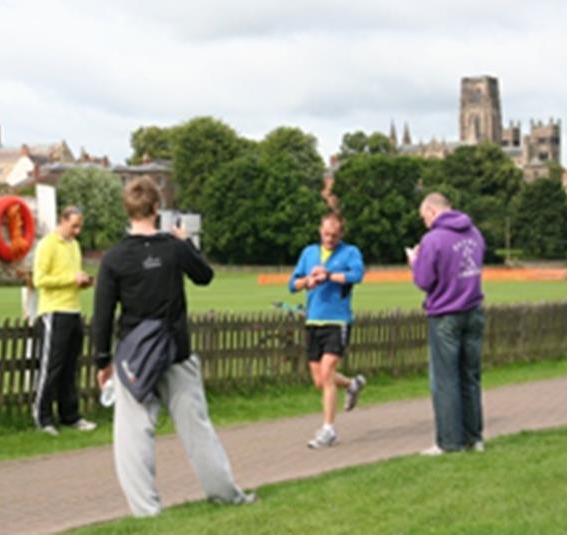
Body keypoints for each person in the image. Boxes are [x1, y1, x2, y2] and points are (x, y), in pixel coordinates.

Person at [92, 177, 255, 517]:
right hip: (176, 351)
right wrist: (187, 243)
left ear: (128, 208)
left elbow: (102, 315)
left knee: (132, 436)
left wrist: (102, 361)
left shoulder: (114, 258)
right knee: (197, 429)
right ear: (157, 208)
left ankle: (145, 510)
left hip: (134, 356)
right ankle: (225, 494)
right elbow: (205, 276)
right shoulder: (172, 247)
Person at [407, 193, 486, 455]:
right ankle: (474, 437)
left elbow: (424, 281)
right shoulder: (474, 233)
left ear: (431, 211)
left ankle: (449, 442)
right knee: (470, 376)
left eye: (424, 217)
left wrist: (414, 262)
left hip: (445, 313)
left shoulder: (433, 239)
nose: (425, 223)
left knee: (445, 379)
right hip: (473, 309)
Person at [288, 212, 367, 449]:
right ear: (319, 231)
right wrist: (308, 282)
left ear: (341, 234)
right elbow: (293, 284)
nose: (330, 238)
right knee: (320, 380)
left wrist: (329, 276)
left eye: (334, 234)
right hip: (314, 320)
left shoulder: (350, 252)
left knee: (328, 369)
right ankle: (351, 384)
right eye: (326, 234)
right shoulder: (309, 253)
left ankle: (328, 429)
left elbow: (357, 275)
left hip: (337, 320)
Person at [31, 206, 98, 436]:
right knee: (52, 367)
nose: (77, 231)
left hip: (73, 310)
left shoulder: (74, 246)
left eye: (79, 226)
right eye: (74, 226)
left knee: (70, 367)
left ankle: (70, 415)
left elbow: (72, 278)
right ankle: (43, 417)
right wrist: (71, 278)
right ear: (62, 221)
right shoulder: (47, 244)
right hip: (53, 311)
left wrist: (83, 282)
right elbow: (40, 279)